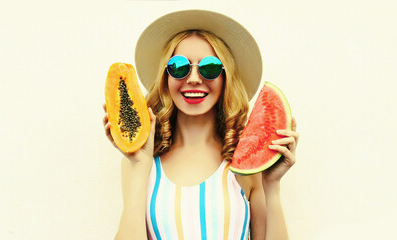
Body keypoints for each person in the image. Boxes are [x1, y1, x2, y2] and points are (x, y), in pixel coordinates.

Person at [103, 9, 299, 240]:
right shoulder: (141, 163)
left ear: (225, 77)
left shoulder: (244, 165)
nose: (194, 78)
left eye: (210, 67)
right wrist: (139, 164)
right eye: (178, 67)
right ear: (165, 77)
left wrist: (272, 185)